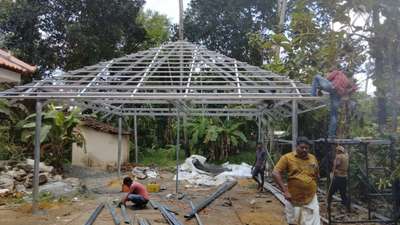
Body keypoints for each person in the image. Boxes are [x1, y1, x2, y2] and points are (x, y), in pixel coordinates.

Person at [272, 137, 320, 225]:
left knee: (313, 220)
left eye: (307, 148)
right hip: (293, 197)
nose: (305, 150)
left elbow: (317, 174)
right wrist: (285, 191)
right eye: (302, 147)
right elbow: (275, 173)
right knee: (294, 220)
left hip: (311, 196)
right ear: (296, 146)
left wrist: (314, 184)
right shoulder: (287, 158)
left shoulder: (312, 158)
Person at [310, 70, 357, 138]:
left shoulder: (337, 72)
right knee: (334, 115)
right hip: (337, 94)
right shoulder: (347, 81)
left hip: (332, 87)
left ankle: (312, 97)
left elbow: (327, 79)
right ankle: (331, 135)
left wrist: (320, 87)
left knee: (316, 77)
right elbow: (351, 90)